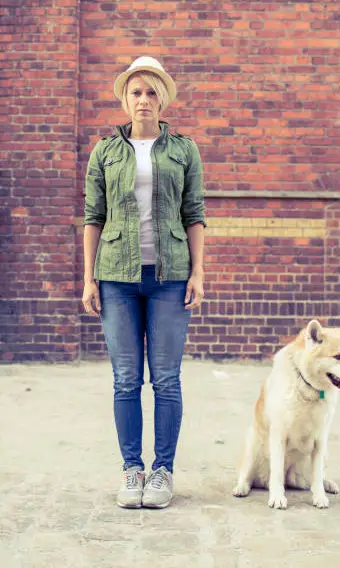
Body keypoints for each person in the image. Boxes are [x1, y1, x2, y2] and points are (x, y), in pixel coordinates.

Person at [81, 56, 206, 509]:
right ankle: (131, 469)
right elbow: (93, 218)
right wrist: (89, 279)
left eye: (152, 92)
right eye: (136, 92)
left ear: (163, 99)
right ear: (125, 99)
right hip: (115, 278)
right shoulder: (105, 152)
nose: (144, 100)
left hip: (170, 277)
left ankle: (163, 471)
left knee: (167, 379)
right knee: (126, 379)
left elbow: (194, 214)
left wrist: (198, 271)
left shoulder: (183, 150)